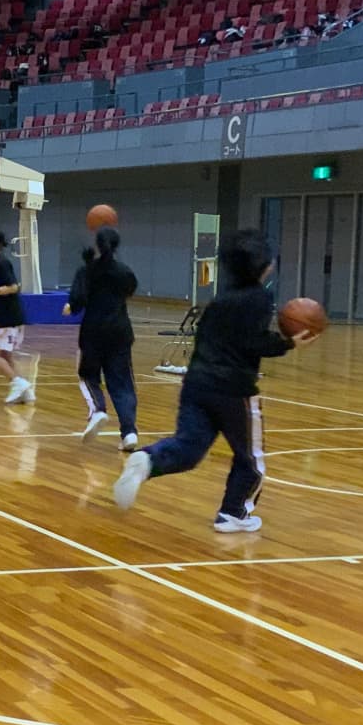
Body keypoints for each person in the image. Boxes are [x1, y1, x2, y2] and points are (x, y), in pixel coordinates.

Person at [114, 228, 315, 532]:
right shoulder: (259, 298)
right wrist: (289, 343)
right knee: (251, 458)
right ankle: (233, 513)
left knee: (189, 448)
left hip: (196, 383)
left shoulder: (220, 299)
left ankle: (147, 461)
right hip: (234, 390)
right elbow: (254, 342)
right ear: (264, 265)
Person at [65, 226, 140, 448]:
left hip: (93, 332)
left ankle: (98, 410)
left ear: (97, 245)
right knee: (123, 384)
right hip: (120, 331)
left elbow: (77, 301)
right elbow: (130, 289)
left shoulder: (86, 271)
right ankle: (129, 433)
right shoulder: (124, 272)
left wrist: (71, 305)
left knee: (87, 376)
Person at [0, 229, 32, 405]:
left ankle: (18, 383)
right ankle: (26, 391)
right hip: (9, 315)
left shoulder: (2, 262)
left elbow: (13, 287)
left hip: (9, 317)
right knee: (6, 355)